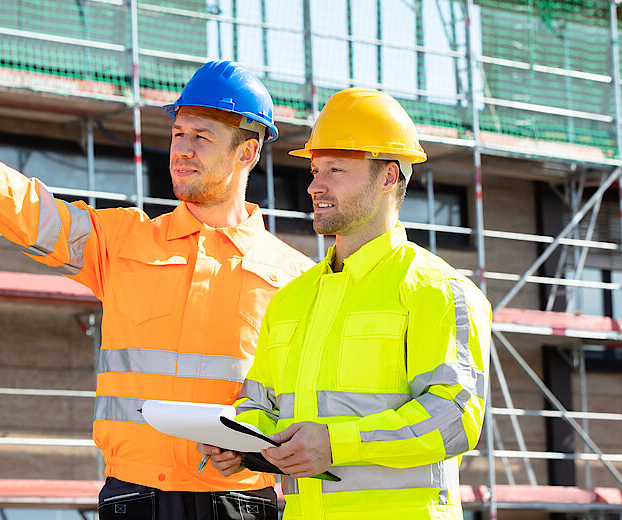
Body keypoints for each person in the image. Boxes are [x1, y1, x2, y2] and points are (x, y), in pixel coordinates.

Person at [0, 60, 313, 520]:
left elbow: (299, 400)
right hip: (132, 499)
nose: (182, 150)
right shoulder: (122, 242)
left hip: (241, 503)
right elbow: (35, 213)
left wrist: (251, 451)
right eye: (178, 134)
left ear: (247, 154)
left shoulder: (296, 276)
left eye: (201, 137)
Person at [197, 88, 492, 519]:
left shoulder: (439, 291)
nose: (315, 186)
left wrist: (338, 443)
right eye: (316, 170)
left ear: (389, 177)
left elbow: (454, 417)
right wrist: (238, 443)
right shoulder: (292, 299)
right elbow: (260, 406)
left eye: (336, 170)